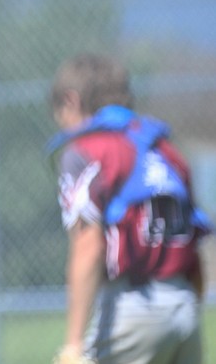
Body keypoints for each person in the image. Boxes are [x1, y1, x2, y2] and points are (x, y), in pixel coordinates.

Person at [46, 53, 210, 364]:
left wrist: (73, 344)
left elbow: (89, 245)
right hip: (184, 307)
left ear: (70, 100)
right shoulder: (167, 151)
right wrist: (183, 315)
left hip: (131, 310)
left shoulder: (87, 150)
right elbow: (195, 248)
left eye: (60, 113)